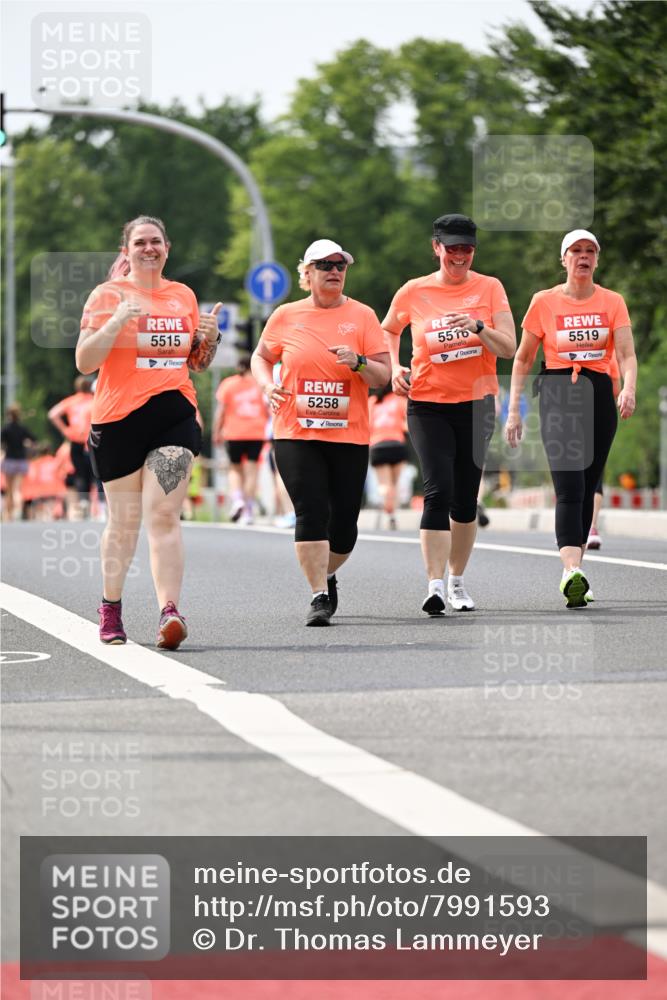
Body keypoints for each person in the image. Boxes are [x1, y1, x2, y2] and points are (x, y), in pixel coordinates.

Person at [76, 214, 221, 648]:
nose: (149, 248)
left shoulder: (183, 296)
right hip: (118, 421)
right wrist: (117, 319)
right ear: (127, 251)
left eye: (156, 241)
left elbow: (194, 362)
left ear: (167, 248)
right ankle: (111, 607)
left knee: (162, 515)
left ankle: (169, 612)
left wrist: (208, 340)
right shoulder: (107, 296)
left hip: (172, 415)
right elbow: (85, 361)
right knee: (124, 523)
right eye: (140, 242)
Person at [251, 238, 391, 626]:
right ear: (306, 273)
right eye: (325, 265)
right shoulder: (285, 315)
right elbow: (261, 356)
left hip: (349, 435)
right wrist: (266, 385)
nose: (334, 271)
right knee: (310, 513)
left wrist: (360, 362)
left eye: (340, 265)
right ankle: (317, 596)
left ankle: (327, 573)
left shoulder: (362, 316)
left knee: (344, 527)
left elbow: (384, 375)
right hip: (296, 432)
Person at [382, 214, 515, 615]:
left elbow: (508, 347)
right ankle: (434, 584)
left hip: (476, 404)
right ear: (436, 247)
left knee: (464, 500)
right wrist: (393, 366)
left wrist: (477, 327)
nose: (459, 256)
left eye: (467, 249)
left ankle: (457, 581)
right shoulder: (414, 291)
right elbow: (388, 330)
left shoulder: (490, 288)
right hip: (427, 403)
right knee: (436, 490)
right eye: (452, 248)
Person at [505, 229, 637, 607]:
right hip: (559, 391)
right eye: (576, 251)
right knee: (569, 487)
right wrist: (514, 409)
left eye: (589, 251)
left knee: (588, 482)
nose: (583, 257)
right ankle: (570, 571)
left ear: (597, 259)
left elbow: (626, 355)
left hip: (599, 392)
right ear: (563, 259)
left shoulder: (613, 302)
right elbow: (524, 358)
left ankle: (576, 569)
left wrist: (628, 387)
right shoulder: (543, 301)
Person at [213, 356, 268, 524]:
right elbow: (268, 409)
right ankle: (248, 511)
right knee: (252, 472)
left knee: (235, 469)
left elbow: (220, 411)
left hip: (233, 433)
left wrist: (216, 431)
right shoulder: (261, 384)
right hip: (257, 432)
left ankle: (238, 500)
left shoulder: (228, 384)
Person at [587, 352, 621, 550]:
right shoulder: (609, 353)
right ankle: (591, 527)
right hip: (601, 409)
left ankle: (571, 525)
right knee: (596, 471)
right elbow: (615, 387)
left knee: (570, 469)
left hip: (571, 408)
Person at [48, 376, 96, 518]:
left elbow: (52, 414)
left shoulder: (71, 401)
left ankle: (83, 501)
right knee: (93, 472)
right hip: (91, 440)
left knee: (79, 472)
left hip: (75, 440)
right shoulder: (94, 401)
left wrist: (65, 430)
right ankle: (94, 501)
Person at [368, 385, 409, 530]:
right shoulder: (399, 400)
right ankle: (393, 513)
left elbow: (367, 426)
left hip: (378, 445)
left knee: (384, 485)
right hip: (397, 444)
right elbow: (408, 423)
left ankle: (387, 510)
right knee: (394, 484)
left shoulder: (372, 402)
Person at [1, 403, 36, 521]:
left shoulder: (6, 429)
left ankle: (8, 515)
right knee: (17, 489)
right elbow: (34, 439)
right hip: (21, 461)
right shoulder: (22, 428)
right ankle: (18, 510)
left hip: (9, 460)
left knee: (9, 490)